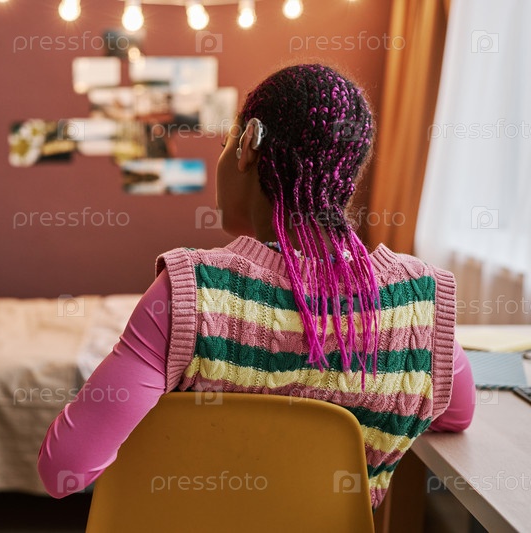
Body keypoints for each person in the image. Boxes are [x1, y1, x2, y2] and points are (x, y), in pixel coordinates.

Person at [37, 63, 476, 509]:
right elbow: (457, 415)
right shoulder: (419, 302)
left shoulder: (192, 292)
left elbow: (64, 468)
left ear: (248, 144)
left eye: (224, 143)